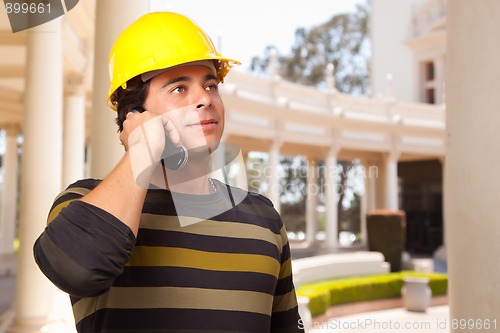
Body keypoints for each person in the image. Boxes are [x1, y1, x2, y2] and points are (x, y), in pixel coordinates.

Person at [33, 11, 304, 333]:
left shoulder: (264, 218)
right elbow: (77, 270)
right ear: (134, 112)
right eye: (179, 88)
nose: (204, 98)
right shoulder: (85, 201)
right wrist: (142, 149)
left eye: (211, 85)